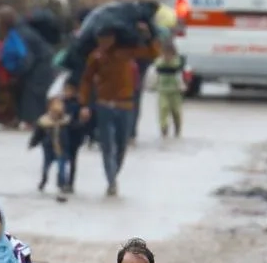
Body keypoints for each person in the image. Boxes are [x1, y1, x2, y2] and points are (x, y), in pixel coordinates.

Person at [77, 24, 159, 196]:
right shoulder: (96, 57)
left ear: (114, 38)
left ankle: (114, 174)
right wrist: (84, 104)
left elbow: (153, 54)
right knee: (107, 146)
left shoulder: (127, 53)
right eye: (101, 39)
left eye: (107, 39)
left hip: (125, 105)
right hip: (104, 105)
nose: (104, 42)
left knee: (121, 145)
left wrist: (148, 35)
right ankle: (111, 180)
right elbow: (86, 80)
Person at [0, 5, 56, 128]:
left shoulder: (18, 34)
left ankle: (33, 123)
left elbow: (27, 58)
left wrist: (18, 73)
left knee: (32, 94)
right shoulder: (21, 29)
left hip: (40, 67)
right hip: (43, 64)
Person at [28, 95, 74, 196]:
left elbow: (73, 133)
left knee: (62, 167)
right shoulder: (44, 121)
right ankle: (44, 180)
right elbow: (38, 134)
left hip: (62, 148)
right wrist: (33, 143)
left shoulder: (66, 121)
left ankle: (62, 183)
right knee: (46, 166)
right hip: (48, 149)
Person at [153, 40, 185, 138]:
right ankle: (164, 127)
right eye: (165, 53)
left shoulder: (177, 63)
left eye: (170, 54)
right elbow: (156, 71)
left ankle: (177, 127)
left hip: (175, 91)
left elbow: (179, 72)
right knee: (163, 108)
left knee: (176, 111)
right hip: (162, 91)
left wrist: (182, 86)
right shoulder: (159, 62)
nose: (167, 56)